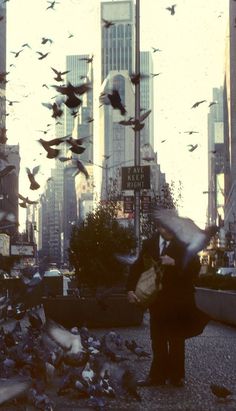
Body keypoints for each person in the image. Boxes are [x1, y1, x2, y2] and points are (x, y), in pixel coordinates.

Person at [126, 224, 206, 387]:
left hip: (179, 300)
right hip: (157, 300)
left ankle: (177, 377)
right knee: (158, 339)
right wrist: (129, 289)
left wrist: (175, 262)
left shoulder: (183, 243)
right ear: (159, 227)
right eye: (164, 226)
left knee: (176, 339)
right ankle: (157, 377)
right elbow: (138, 266)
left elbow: (195, 268)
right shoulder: (150, 243)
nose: (169, 229)